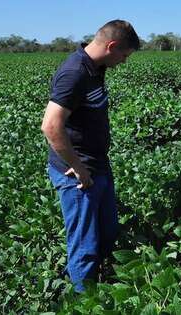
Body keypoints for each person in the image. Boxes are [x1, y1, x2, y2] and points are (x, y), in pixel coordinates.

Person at [41, 20, 139, 292]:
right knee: (85, 246)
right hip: (77, 172)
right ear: (111, 46)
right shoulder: (74, 73)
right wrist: (79, 167)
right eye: (124, 55)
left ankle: (78, 281)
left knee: (107, 232)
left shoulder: (96, 68)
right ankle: (83, 301)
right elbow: (50, 125)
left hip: (97, 165)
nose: (124, 61)